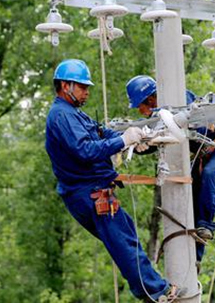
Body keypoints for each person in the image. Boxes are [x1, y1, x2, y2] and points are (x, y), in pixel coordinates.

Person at [45, 60, 179, 302]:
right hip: (88, 194)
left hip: (92, 192)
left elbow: (101, 133)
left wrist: (138, 139)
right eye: (82, 87)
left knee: (126, 238)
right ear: (65, 86)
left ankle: (151, 289)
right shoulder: (61, 116)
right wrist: (122, 140)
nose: (87, 92)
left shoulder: (74, 114)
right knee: (124, 244)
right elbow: (85, 151)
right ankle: (155, 292)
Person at [125, 75, 215, 263]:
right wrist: (134, 144)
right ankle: (196, 260)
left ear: (150, 99)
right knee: (191, 205)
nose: (139, 110)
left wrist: (158, 130)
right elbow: (158, 141)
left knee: (209, 175)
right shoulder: (160, 116)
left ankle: (207, 226)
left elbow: (189, 127)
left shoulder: (179, 100)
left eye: (140, 105)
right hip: (201, 158)